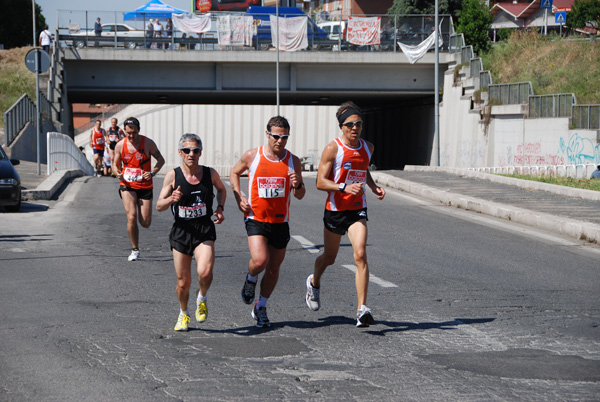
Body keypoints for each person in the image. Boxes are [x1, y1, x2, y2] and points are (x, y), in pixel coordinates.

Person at [305, 101, 386, 328]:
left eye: (359, 123)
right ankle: (314, 282)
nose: (355, 128)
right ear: (342, 127)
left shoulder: (368, 147)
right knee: (329, 258)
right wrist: (342, 187)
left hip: (357, 209)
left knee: (360, 254)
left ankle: (362, 309)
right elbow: (320, 182)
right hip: (335, 210)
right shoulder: (333, 148)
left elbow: (363, 169)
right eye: (350, 124)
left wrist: (372, 186)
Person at [230, 115, 306, 328]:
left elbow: (300, 195)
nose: (280, 141)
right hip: (256, 218)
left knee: (273, 269)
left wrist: (298, 184)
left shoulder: (294, 161)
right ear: (267, 134)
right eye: (276, 136)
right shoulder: (253, 155)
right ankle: (251, 278)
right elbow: (234, 173)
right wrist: (239, 197)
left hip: (280, 222)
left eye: (284, 137)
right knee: (260, 260)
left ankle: (260, 306)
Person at [157, 133, 227, 332]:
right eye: (187, 150)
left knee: (205, 272)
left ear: (200, 153)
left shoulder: (209, 173)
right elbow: (159, 206)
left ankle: (202, 298)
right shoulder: (173, 175)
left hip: (204, 229)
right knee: (183, 282)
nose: (191, 154)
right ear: (180, 153)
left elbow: (222, 190)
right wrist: (171, 198)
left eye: (195, 150)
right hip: (181, 231)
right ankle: (183, 313)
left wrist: (220, 208)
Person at [112, 117, 165, 262]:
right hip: (127, 185)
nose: (131, 136)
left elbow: (161, 160)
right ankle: (135, 249)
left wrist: (153, 172)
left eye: (134, 133)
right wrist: (117, 172)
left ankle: (137, 243)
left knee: (145, 223)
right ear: (124, 131)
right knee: (131, 216)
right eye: (128, 133)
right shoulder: (120, 145)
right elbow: (114, 164)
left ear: (139, 131)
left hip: (145, 185)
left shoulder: (148, 143)